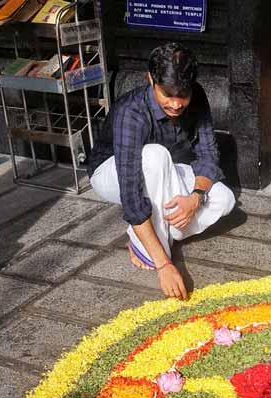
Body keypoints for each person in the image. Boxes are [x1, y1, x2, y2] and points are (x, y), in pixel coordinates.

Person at [87, 42, 235, 300]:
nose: (176, 104)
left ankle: (164, 232)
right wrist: (165, 266)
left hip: (164, 170)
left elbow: (209, 156)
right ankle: (150, 244)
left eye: (183, 95)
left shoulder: (197, 96)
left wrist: (195, 198)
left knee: (225, 199)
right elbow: (131, 193)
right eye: (167, 94)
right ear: (150, 79)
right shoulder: (131, 112)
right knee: (155, 155)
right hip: (112, 173)